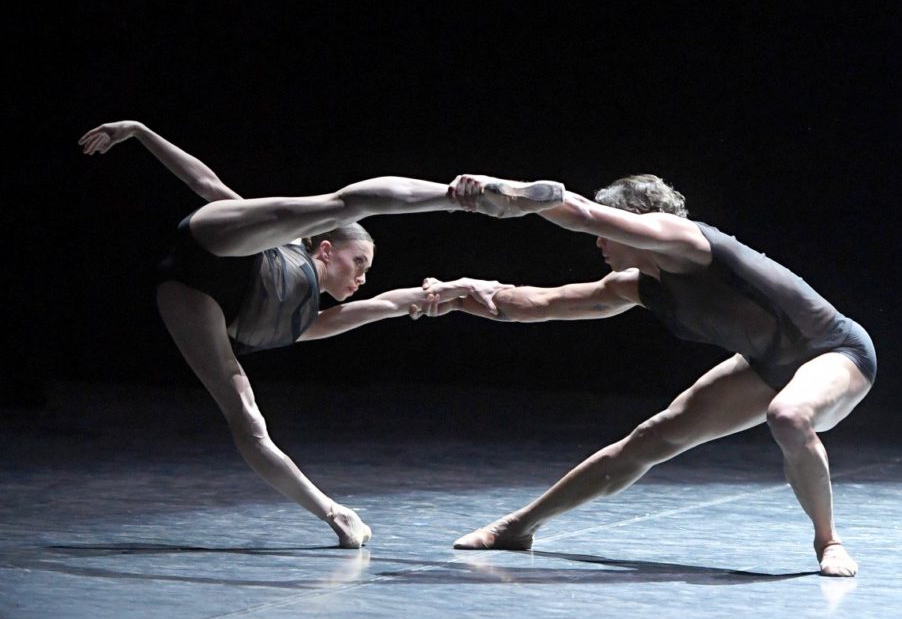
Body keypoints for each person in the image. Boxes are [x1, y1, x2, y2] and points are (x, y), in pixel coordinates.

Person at [78, 122, 562, 546]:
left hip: (190, 297)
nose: (361, 279)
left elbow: (388, 305)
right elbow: (205, 182)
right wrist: (140, 132)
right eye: (359, 264)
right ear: (326, 252)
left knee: (247, 419)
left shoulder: (309, 321)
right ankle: (467, 198)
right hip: (220, 244)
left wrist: (457, 287)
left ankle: (334, 513)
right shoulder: (290, 242)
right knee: (343, 205)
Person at [432, 173, 877, 576]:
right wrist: (460, 296)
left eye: (607, 231)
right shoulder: (636, 285)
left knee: (789, 414)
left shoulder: (687, 241)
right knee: (650, 438)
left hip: (836, 353)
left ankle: (829, 541)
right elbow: (537, 305)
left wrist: (500, 188)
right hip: (765, 365)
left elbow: (582, 213)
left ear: (632, 223)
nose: (599, 242)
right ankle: (518, 527)